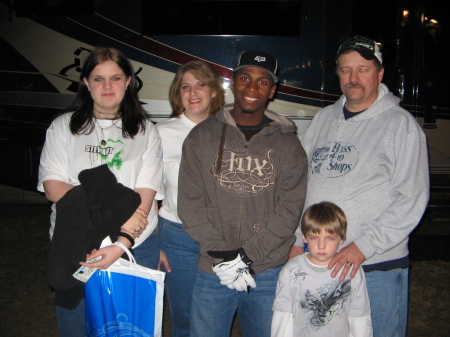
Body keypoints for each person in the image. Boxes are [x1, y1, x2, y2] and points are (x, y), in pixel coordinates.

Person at [290, 36, 429, 336]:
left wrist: (362, 247)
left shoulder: (401, 125)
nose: (353, 78)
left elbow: (411, 199)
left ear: (379, 75)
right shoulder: (324, 118)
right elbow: (300, 185)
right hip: (320, 261)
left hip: (376, 265)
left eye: (363, 69)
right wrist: (294, 241)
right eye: (345, 70)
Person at [177, 50, 308, 337]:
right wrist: (225, 257)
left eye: (262, 82)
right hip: (214, 268)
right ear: (232, 82)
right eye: (245, 78)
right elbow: (189, 204)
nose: (252, 88)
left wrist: (247, 257)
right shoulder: (201, 137)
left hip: (267, 270)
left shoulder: (289, 147)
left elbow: (289, 210)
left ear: (272, 90)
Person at [37, 47, 163, 336]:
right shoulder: (63, 127)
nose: (107, 86)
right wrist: (115, 210)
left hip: (134, 242)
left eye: (116, 78)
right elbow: (53, 187)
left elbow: (146, 189)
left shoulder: (145, 130)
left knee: (126, 327)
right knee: (76, 325)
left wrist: (123, 240)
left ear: (129, 81)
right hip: (76, 241)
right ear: (85, 82)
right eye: (98, 78)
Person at [156, 60, 225, 337]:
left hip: (220, 237)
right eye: (186, 86)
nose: (193, 92)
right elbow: (148, 194)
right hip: (176, 236)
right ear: (178, 93)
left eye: (201, 84)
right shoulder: (161, 133)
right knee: (183, 319)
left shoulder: (229, 131)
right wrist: (153, 244)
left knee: (215, 318)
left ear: (214, 92)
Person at [272, 201, 373, 337]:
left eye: (330, 238)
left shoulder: (350, 270)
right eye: (314, 237)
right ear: (304, 237)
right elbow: (283, 314)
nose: (321, 245)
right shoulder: (291, 270)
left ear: (342, 238)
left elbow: (359, 314)